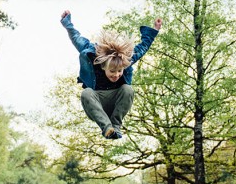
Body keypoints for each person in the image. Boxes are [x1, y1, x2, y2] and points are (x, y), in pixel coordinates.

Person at [60, 10, 162, 139]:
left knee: (128, 89)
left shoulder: (126, 60)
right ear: (103, 66)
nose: (117, 75)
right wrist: (67, 23)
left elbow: (143, 47)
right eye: (112, 71)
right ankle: (107, 128)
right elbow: (76, 38)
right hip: (96, 103)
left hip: (116, 103)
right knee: (86, 92)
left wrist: (155, 29)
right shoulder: (92, 55)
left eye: (120, 71)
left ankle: (115, 126)